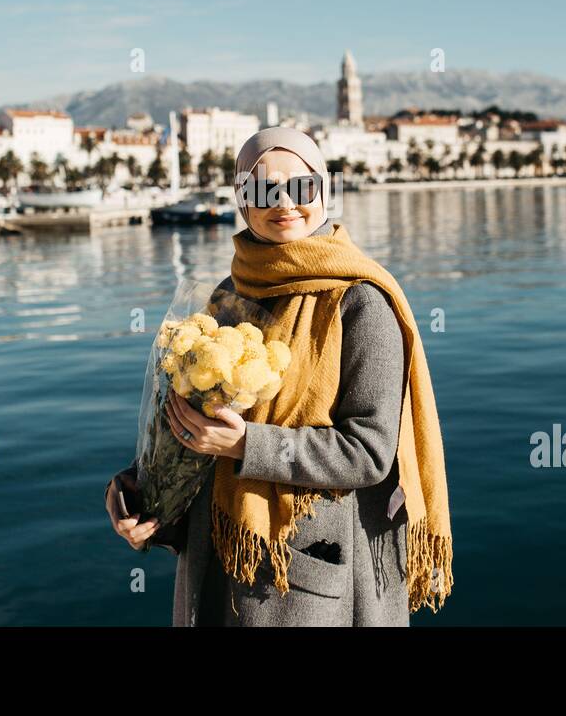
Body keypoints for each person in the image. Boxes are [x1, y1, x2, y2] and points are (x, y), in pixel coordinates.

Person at [106, 127, 453, 626]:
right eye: (263, 190)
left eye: (302, 187)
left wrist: (247, 444)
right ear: (241, 198)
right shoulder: (226, 295)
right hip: (216, 562)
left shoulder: (360, 301)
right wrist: (144, 487)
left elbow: (371, 453)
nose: (285, 203)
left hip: (305, 582)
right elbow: (198, 426)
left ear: (324, 190)